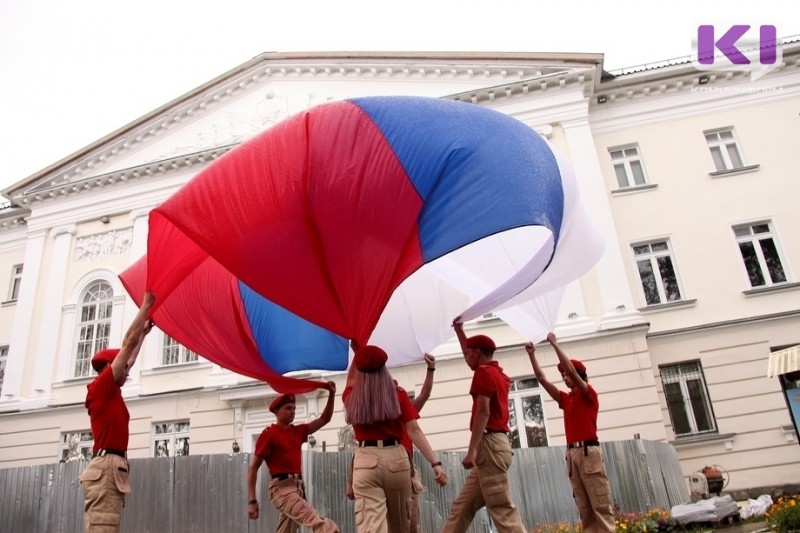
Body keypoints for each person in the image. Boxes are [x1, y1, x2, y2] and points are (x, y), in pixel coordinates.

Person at [344, 344, 448, 533]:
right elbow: (414, 430)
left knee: (371, 527)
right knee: (401, 527)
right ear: (385, 370)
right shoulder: (397, 395)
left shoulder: (351, 397)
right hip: (397, 460)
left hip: (366, 460)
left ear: (359, 370)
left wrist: (358, 350)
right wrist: (436, 463)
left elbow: (350, 379)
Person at [79, 291, 156, 533]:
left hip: (112, 465)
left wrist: (143, 333)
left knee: (107, 525)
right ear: (109, 368)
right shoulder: (102, 386)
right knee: (103, 526)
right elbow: (127, 346)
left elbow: (129, 357)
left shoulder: (112, 392)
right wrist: (145, 307)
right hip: (106, 466)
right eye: (123, 369)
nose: (128, 372)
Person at [442, 319, 526, 533]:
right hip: (496, 446)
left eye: (469, 354)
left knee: (502, 509)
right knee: (461, 508)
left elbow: (483, 411)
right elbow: (469, 349)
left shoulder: (483, 373)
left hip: (489, 446)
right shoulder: (498, 374)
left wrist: (471, 451)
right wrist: (459, 330)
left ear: (478, 353)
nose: (466, 357)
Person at [526, 332, 615, 533]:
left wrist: (555, 345)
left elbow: (574, 374)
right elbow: (542, 379)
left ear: (579, 375)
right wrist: (532, 355)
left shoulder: (588, 394)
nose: (565, 377)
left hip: (588, 452)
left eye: (567, 374)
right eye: (563, 375)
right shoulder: (567, 400)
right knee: (584, 508)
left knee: (600, 505)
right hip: (572, 455)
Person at [247, 383, 339, 533]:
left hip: (297, 489)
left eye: (294, 408)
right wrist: (252, 500)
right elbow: (253, 468)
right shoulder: (269, 434)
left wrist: (332, 394)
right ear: (277, 411)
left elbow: (324, 419)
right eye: (288, 408)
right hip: (282, 489)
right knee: (316, 521)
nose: (292, 411)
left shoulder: (298, 431)